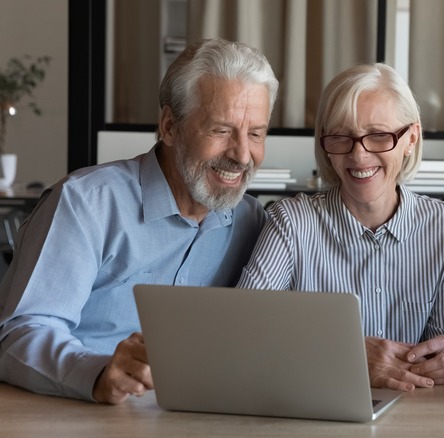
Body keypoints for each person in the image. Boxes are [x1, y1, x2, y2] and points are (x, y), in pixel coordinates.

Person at [0, 38, 279, 404]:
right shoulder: (85, 204)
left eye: (256, 133)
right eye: (221, 130)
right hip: (77, 413)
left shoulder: (250, 222)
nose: (242, 154)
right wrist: (96, 372)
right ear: (168, 127)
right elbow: (19, 335)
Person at [237, 63, 444, 392]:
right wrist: (346, 353)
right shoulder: (290, 222)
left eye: (378, 136)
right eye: (341, 137)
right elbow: (242, 332)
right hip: (312, 405)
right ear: (325, 146)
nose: (359, 155)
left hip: (411, 410)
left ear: (411, 138)